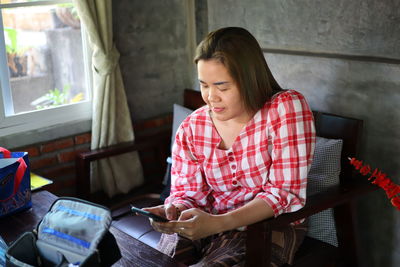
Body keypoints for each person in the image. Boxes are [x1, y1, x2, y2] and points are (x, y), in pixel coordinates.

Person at [144, 27, 316, 266]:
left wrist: (219, 223)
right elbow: (189, 194)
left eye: (222, 87)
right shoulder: (192, 127)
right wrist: (174, 209)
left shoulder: (284, 108)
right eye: (204, 85)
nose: (211, 97)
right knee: (154, 262)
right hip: (205, 223)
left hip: (265, 227)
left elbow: (284, 192)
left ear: (249, 80)